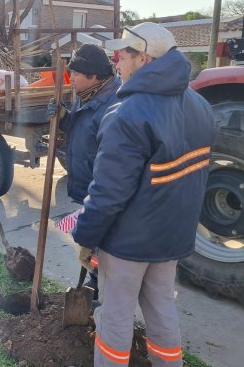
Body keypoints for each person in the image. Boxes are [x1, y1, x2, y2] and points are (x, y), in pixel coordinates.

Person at [72, 22, 215, 366]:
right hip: (170, 240)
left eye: (123, 55)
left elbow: (107, 194)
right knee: (162, 307)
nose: (116, 61)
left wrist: (85, 237)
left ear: (145, 59)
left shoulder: (126, 114)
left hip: (128, 244)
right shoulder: (199, 105)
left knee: (115, 318)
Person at [48, 44, 122, 301]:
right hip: (87, 188)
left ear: (93, 75)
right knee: (92, 249)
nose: (72, 79)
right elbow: (81, 129)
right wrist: (64, 117)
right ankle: (94, 286)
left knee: (100, 246)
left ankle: (99, 293)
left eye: (76, 74)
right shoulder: (88, 95)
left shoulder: (113, 105)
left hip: (99, 192)